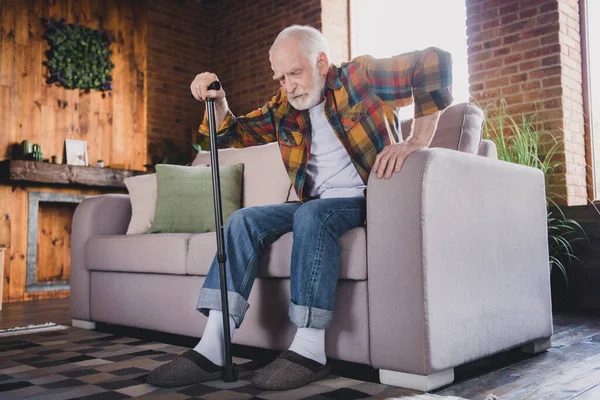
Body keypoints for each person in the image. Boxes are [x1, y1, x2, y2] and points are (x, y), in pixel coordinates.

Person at [147, 24, 453, 390]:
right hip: (317, 205)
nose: (288, 85)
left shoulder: (360, 78)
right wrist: (219, 100)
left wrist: (418, 139)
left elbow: (433, 62)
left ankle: (310, 349)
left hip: (367, 200)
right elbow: (234, 133)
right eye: (280, 77)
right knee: (244, 220)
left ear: (321, 62)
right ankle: (214, 346)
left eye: (295, 72)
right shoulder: (284, 107)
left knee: (311, 213)